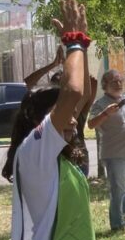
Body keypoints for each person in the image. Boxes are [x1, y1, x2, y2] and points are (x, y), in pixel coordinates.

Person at [3, 0, 125, 240]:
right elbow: (73, 91)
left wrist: (85, 51)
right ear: (42, 122)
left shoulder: (59, 153)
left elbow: (81, 92)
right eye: (64, 117)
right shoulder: (35, 148)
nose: (72, 122)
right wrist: (74, 41)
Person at [88, 70, 125, 232]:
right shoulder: (100, 104)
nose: (118, 84)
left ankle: (122, 212)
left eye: (120, 81)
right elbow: (91, 124)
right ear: (105, 85)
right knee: (118, 191)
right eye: (114, 82)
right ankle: (117, 224)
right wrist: (106, 113)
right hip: (114, 156)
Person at [26, 46, 96, 177]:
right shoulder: (45, 107)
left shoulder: (73, 107)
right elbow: (29, 84)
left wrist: (81, 49)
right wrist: (53, 64)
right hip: (54, 158)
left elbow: (86, 91)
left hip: (74, 156)